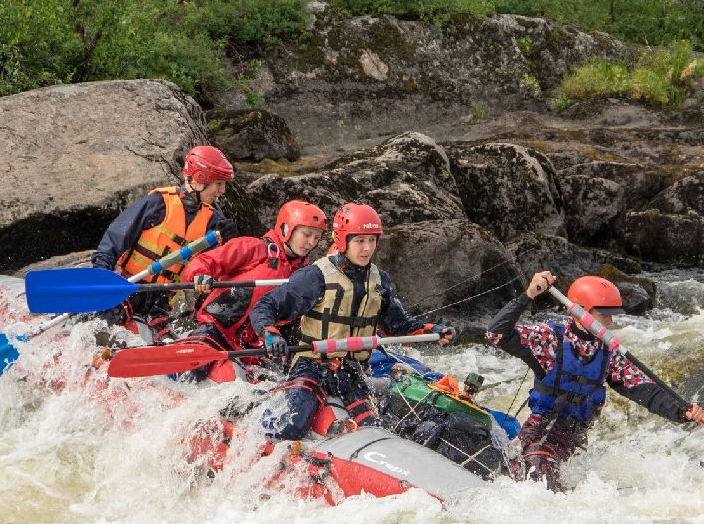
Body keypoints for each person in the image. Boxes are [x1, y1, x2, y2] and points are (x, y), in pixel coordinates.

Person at [487, 270, 704, 491]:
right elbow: (496, 334)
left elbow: (644, 390)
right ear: (580, 311)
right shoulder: (550, 340)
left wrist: (681, 411)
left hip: (571, 447)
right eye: (604, 314)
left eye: (612, 314)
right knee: (544, 479)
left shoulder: (609, 353)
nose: (610, 321)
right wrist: (528, 296)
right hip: (537, 440)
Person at [248, 203, 455, 439]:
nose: (367, 248)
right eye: (360, 241)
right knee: (291, 425)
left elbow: (398, 325)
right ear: (343, 240)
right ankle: (259, 422)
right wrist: (270, 333)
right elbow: (266, 306)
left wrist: (434, 330)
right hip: (311, 366)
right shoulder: (315, 275)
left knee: (374, 432)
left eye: (372, 240)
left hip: (351, 373)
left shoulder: (380, 280)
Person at [174, 199, 329, 381]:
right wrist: (200, 275)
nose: (311, 242)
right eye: (307, 234)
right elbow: (205, 261)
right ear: (287, 229)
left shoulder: (305, 274)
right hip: (215, 330)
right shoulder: (254, 247)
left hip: (252, 348)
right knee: (193, 370)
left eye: (317, 238)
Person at [91, 145, 239, 331]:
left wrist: (230, 243)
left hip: (160, 304)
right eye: (219, 183)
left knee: (161, 340)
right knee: (105, 330)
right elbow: (113, 241)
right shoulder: (157, 204)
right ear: (201, 179)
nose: (223, 190)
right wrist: (102, 280)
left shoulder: (214, 222)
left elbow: (222, 266)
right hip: (127, 288)